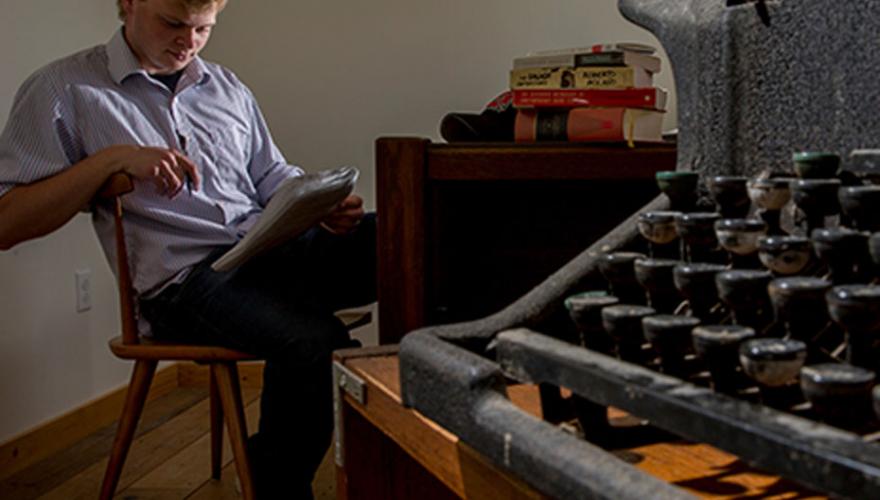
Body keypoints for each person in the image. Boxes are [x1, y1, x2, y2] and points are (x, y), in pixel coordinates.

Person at [0, 0, 376, 497]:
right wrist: (110, 161)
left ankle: (455, 432)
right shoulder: (64, 89)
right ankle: (275, 484)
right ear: (128, 5)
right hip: (185, 283)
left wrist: (316, 203)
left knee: (403, 237)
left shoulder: (225, 85)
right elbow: (7, 221)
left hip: (268, 253)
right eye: (173, 24)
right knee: (313, 342)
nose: (189, 41)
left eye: (203, 28)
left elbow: (271, 176)